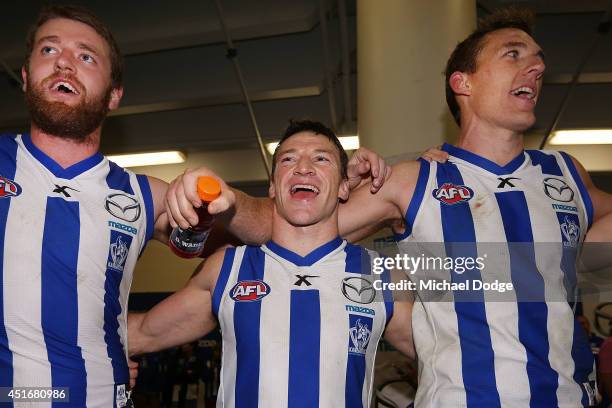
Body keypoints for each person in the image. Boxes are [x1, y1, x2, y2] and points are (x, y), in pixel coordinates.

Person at [166, 7, 612, 407]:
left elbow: (588, 241)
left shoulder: (565, 174)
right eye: (514, 54)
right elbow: (288, 225)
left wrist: (555, 255)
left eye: (538, 59)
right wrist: (226, 201)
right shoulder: (416, 180)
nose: (537, 66)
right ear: (464, 82)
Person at [0, 6, 389, 406]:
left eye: (85, 56)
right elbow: (148, 331)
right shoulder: (230, 270)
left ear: (114, 94)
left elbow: (449, 321)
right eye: (49, 50)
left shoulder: (142, 194)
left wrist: (412, 191)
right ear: (26, 76)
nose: (64, 62)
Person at [128, 120, 415, 407]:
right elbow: (140, 334)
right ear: (273, 188)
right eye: (288, 159)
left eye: (321, 158)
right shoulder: (227, 268)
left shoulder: (383, 273)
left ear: (343, 187)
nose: (303, 167)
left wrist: (436, 178)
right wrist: (104, 364)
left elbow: (451, 349)